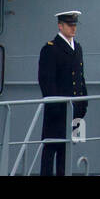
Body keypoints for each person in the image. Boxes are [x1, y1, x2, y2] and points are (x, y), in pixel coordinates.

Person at [37, 10, 87, 176]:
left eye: (74, 25)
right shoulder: (51, 49)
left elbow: (80, 77)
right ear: (60, 26)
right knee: (51, 148)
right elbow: (47, 81)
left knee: (66, 150)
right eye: (69, 25)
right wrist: (55, 106)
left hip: (74, 109)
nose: (73, 29)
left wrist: (83, 102)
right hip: (58, 110)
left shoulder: (77, 48)